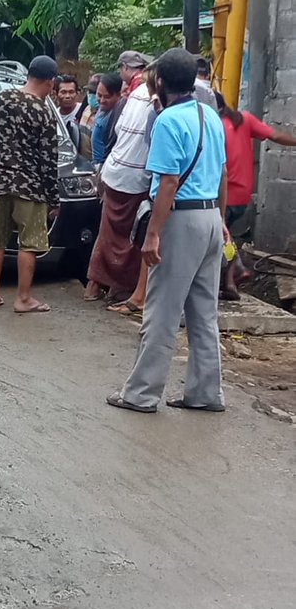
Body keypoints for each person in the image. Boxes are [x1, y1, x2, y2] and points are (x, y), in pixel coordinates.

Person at [107, 48, 228, 414]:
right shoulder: (210, 115)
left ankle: (141, 394)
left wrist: (154, 233)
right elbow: (222, 173)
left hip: (181, 220)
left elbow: (169, 182)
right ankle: (206, 393)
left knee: (161, 310)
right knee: (204, 314)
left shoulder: (167, 122)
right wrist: (222, 220)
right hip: (210, 219)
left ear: (159, 81)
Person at [0, 55, 59, 314]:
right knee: (29, 243)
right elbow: (49, 159)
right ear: (50, 82)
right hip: (31, 186)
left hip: (1, 179)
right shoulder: (44, 112)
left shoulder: (2, 99)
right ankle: (23, 298)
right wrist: (54, 198)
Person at [83, 51, 153, 304]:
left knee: (109, 232)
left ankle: (95, 285)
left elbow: (117, 131)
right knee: (134, 237)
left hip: (115, 173)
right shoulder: (155, 100)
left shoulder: (133, 96)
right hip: (137, 178)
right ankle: (118, 288)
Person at [215, 91, 296, 297]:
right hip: (243, 194)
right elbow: (275, 135)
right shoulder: (245, 119)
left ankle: (236, 270)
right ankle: (229, 281)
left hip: (224, 193)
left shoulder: (213, 127)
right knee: (224, 236)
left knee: (221, 237)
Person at [91, 73, 122, 167]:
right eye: (99, 95)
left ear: (118, 95)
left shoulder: (118, 116)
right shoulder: (101, 109)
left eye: (107, 97)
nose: (102, 100)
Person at [77, 73, 100, 158]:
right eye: (90, 92)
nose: (91, 95)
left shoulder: (105, 116)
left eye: (95, 92)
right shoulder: (86, 109)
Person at [56, 75, 82, 149]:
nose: (67, 96)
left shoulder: (84, 112)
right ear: (56, 94)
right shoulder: (54, 116)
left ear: (77, 93)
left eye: (71, 92)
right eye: (63, 92)